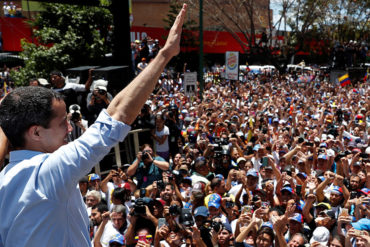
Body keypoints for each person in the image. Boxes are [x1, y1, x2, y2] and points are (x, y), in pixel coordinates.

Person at [0, 4, 187, 246]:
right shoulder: (48, 171)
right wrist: (165, 54)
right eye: (61, 123)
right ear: (35, 132)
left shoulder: (4, 181)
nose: (70, 129)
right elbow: (116, 117)